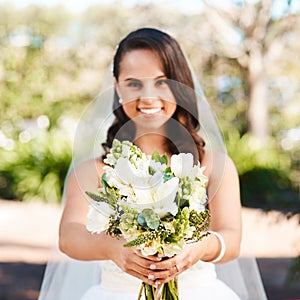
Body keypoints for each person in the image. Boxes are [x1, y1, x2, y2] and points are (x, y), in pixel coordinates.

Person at [39, 27, 267, 300]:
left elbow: (232, 240)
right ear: (118, 87)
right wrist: (113, 248)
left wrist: (198, 249)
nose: (147, 97)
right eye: (134, 83)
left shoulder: (215, 166)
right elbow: (68, 237)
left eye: (161, 82)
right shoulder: (94, 172)